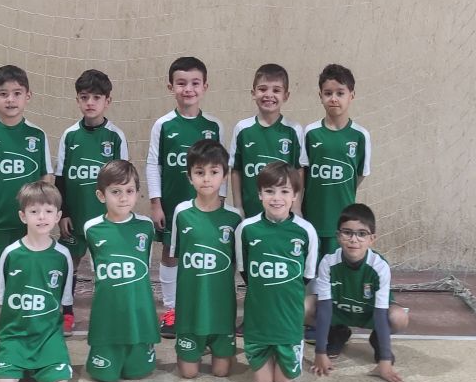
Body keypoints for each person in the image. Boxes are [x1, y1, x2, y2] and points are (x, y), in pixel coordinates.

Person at [0, 65, 53, 347]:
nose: (11, 100)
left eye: (17, 93)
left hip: (26, 224)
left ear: (29, 96)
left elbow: (46, 179)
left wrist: (44, 216)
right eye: (4, 94)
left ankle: (25, 318)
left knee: (25, 271)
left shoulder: (37, 136)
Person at [146, 56, 224, 338]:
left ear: (205, 87)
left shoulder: (214, 126)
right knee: (170, 254)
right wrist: (156, 203)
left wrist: (221, 203)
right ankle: (171, 310)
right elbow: (153, 163)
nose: (188, 89)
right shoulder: (163, 125)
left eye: (194, 83)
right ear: (171, 87)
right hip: (171, 204)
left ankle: (201, 308)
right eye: (181, 83)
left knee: (201, 255)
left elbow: (222, 167)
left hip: (206, 206)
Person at [55, 69, 129, 337]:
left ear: (107, 100)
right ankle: (65, 312)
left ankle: (109, 312)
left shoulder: (115, 137)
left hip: (105, 219)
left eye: (96, 97)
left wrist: (119, 214)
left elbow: (123, 181)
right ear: (77, 100)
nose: (90, 103)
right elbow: (61, 177)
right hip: (74, 217)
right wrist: (62, 213)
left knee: (106, 266)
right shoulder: (69, 135)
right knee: (69, 264)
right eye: (84, 97)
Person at [235, 162, 318, 382]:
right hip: (258, 320)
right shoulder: (247, 228)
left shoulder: (306, 230)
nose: (276, 198)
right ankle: (266, 349)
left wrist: (284, 290)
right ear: (260, 194)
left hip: (288, 320)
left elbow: (307, 275)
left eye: (284, 191)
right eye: (269, 191)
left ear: (295, 195)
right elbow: (245, 272)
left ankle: (284, 349)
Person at [309, 204, 409, 382]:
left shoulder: (379, 266)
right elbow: (323, 307)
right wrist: (320, 352)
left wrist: (385, 361)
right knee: (306, 307)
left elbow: (380, 312)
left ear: (372, 239)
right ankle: (337, 332)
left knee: (399, 317)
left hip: (369, 314)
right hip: (339, 311)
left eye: (361, 234)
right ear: (338, 236)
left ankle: (378, 339)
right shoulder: (328, 262)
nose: (354, 239)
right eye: (347, 232)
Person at [83, 161, 160, 382]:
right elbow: (96, 270)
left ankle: (139, 344)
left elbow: (142, 270)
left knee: (139, 374)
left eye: (129, 191)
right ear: (101, 195)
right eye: (115, 192)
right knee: (103, 376)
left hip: (138, 314)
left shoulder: (146, 226)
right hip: (107, 315)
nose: (123, 197)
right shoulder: (92, 228)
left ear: (137, 194)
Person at [170, 140, 242, 378]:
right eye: (200, 173)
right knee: (188, 374)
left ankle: (221, 344)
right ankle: (191, 340)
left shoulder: (234, 218)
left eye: (214, 172)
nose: (207, 179)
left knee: (222, 373)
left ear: (224, 176)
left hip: (221, 310)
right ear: (190, 177)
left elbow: (237, 264)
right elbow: (176, 258)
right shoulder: (181, 213)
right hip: (190, 309)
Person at [0, 182, 74, 382]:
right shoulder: (10, 254)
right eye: (34, 211)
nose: (42, 217)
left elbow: (64, 301)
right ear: (23, 216)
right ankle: (16, 362)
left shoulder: (63, 256)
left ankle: (44, 363)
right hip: (15, 335)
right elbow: (4, 301)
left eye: (48, 211)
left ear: (58, 216)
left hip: (48, 335)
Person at [301, 63, 371, 260]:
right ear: (320, 96)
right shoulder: (310, 132)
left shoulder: (360, 136)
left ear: (352, 95)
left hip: (342, 222)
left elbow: (360, 174)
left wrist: (341, 191)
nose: (333, 98)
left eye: (340, 93)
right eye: (328, 93)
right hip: (312, 218)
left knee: (335, 275)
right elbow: (302, 173)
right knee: (312, 277)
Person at [229, 63, 306, 218]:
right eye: (263, 89)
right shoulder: (242, 128)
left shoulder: (294, 129)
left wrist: (296, 207)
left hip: (284, 213)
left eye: (276, 90)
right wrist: (238, 206)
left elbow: (299, 170)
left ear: (286, 96)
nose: (269, 95)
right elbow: (236, 170)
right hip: (251, 212)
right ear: (253, 93)